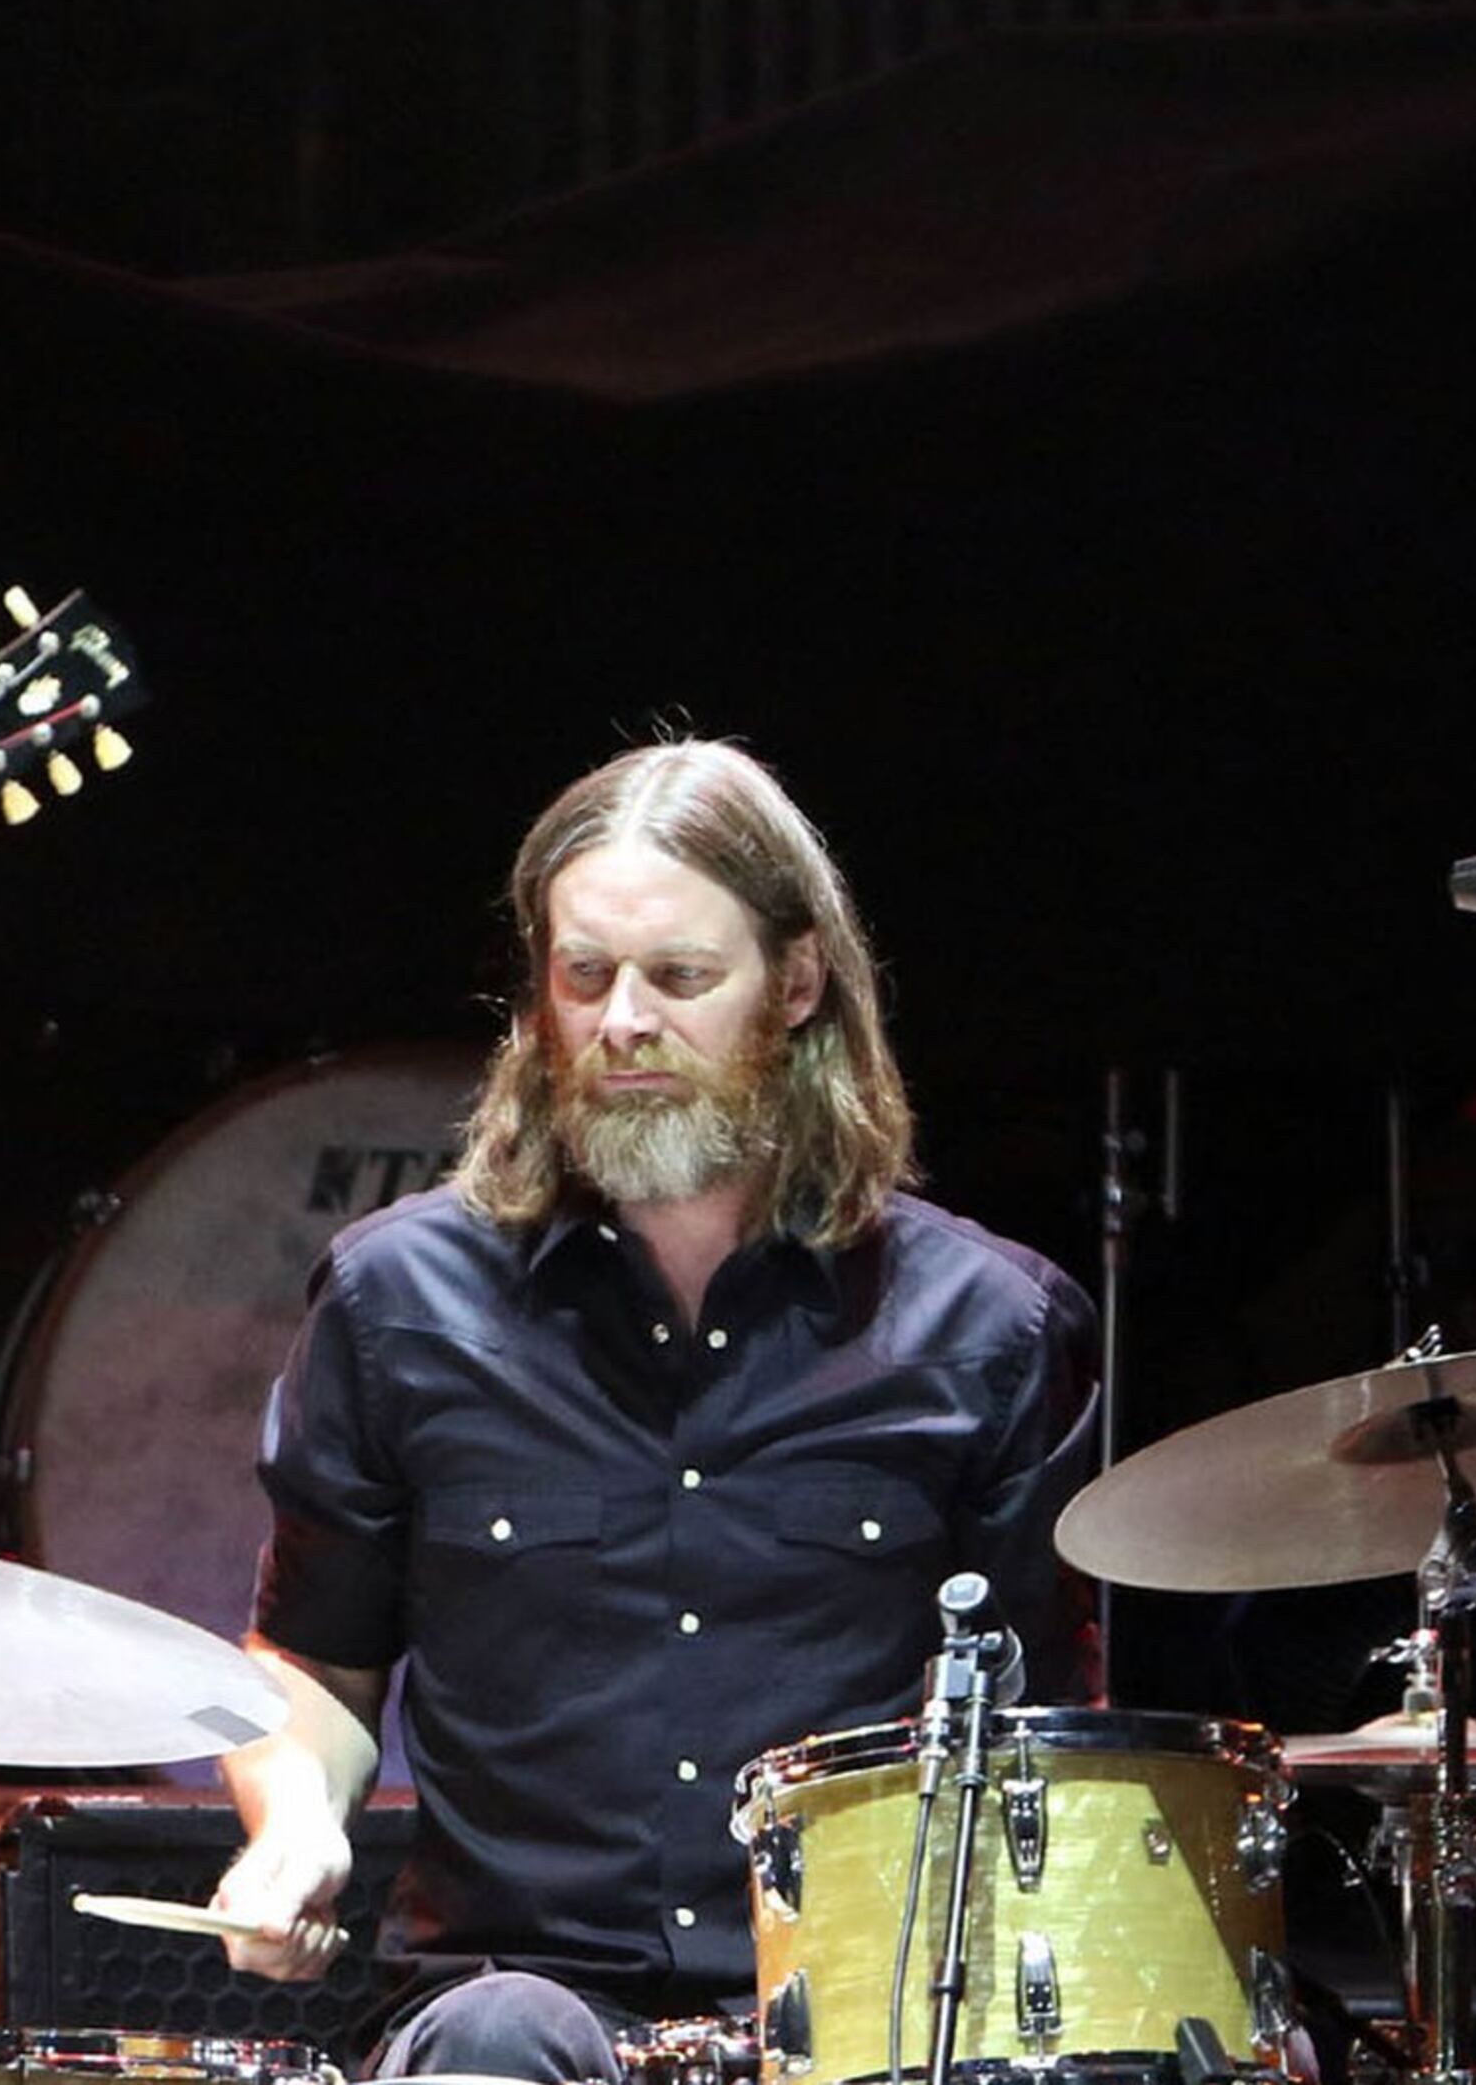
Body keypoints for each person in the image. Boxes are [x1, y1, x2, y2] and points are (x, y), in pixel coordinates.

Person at [206, 740, 1094, 2081]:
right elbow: (313, 1663)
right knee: (499, 2045)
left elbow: (1039, 1743)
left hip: (870, 2016)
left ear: (794, 985)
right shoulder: (399, 1301)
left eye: (679, 977)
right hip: (522, 1998)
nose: (623, 1021)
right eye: (584, 976)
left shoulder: (989, 1328)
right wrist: (293, 1824)